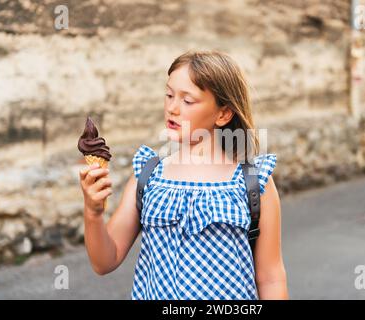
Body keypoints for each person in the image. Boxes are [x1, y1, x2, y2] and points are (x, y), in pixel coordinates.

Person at [79, 50, 289, 300]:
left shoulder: (253, 183)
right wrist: (93, 212)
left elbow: (271, 278)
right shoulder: (148, 175)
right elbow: (105, 261)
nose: (172, 108)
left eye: (187, 101)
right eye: (169, 95)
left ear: (223, 114)